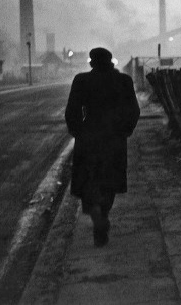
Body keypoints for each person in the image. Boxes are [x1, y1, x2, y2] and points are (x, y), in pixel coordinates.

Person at [65, 47, 140, 246]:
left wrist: (77, 130)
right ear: (111, 63)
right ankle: (103, 213)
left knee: (88, 181)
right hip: (114, 138)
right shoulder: (124, 81)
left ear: (91, 63)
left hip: (89, 137)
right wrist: (125, 130)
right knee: (110, 181)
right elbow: (133, 109)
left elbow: (72, 110)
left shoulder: (81, 81)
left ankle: (97, 215)